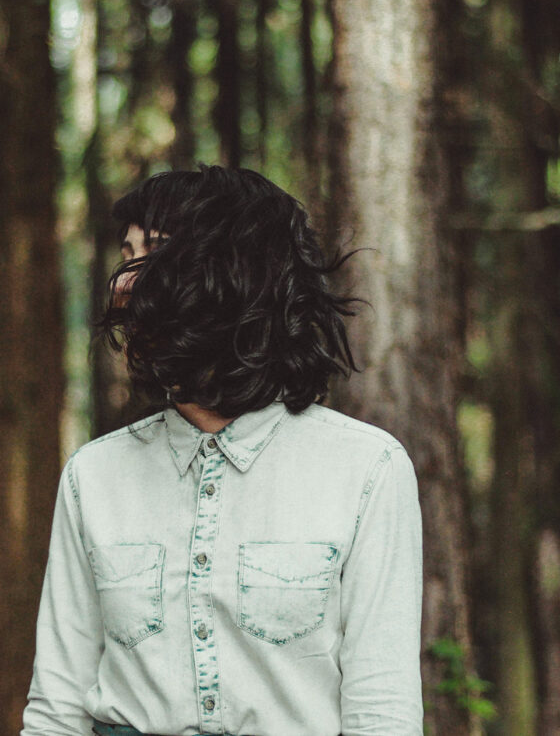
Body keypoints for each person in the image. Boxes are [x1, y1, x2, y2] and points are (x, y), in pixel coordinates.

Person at [21, 163, 424, 736]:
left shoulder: (366, 468)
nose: (122, 284)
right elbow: (56, 709)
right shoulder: (94, 473)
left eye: (153, 254)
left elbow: (383, 713)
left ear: (238, 274)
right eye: (125, 256)